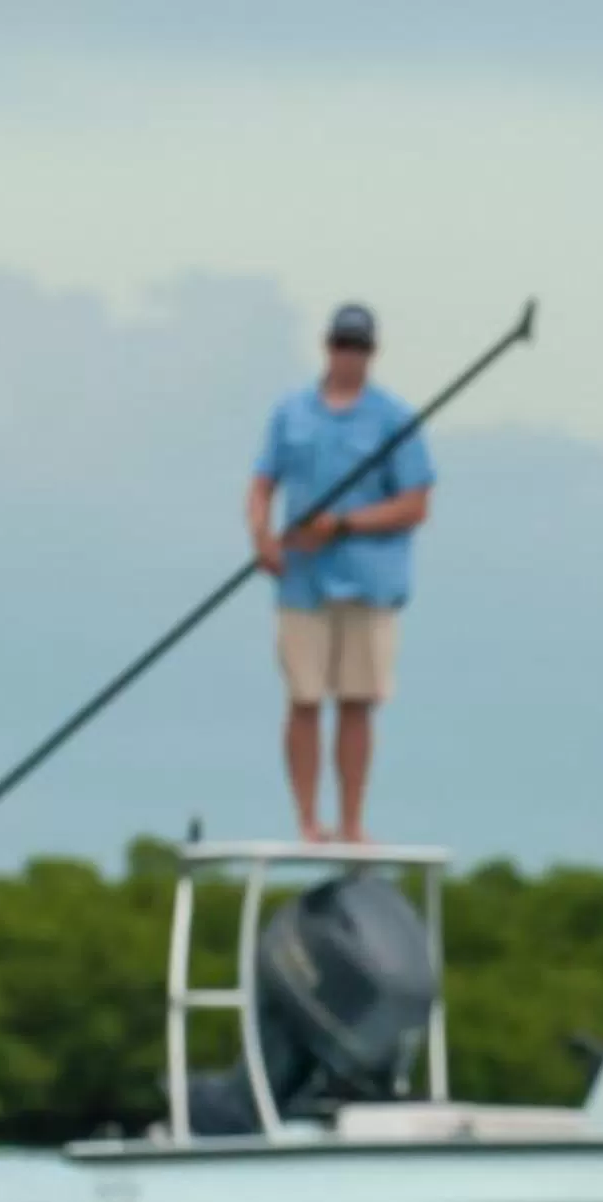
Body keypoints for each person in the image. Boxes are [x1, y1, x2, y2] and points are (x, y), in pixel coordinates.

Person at [246, 302, 436, 846]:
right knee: (303, 697)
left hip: (368, 581)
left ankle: (352, 821)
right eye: (340, 344)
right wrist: (262, 535)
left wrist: (344, 524)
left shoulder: (395, 419)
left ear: (371, 353)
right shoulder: (291, 413)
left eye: (359, 347)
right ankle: (308, 819)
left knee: (358, 699)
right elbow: (262, 484)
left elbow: (415, 504)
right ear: (327, 346)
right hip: (302, 581)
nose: (348, 356)